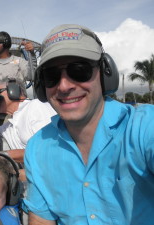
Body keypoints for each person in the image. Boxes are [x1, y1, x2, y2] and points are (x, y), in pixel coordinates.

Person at [23, 24, 154, 225]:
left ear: (104, 73)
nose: (64, 86)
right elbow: (41, 221)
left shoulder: (144, 127)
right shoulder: (37, 148)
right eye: (51, 76)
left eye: (79, 70)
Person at [0, 78, 56, 179]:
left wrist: (6, 155)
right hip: (35, 179)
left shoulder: (36, 107)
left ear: (13, 91)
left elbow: (50, 150)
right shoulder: (8, 125)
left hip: (51, 177)